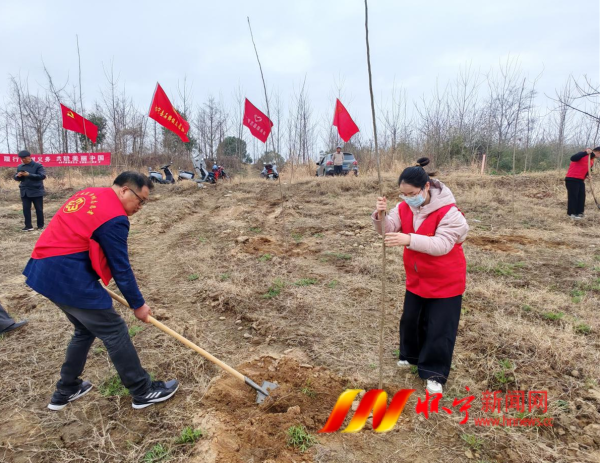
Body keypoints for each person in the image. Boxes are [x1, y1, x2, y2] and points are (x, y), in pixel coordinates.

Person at [23, 172, 179, 411]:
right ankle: (143, 391)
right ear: (125, 190)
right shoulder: (115, 217)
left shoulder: (88, 194)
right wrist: (138, 304)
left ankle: (66, 388)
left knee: (85, 329)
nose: (140, 207)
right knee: (114, 330)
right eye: (140, 200)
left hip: (43, 268)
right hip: (67, 276)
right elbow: (121, 267)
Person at [372, 157, 468, 395]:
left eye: (411, 194)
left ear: (426, 187)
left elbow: (442, 244)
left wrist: (408, 239)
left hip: (445, 281)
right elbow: (388, 229)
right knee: (411, 320)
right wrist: (381, 215)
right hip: (417, 277)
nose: (407, 198)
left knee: (439, 327)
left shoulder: (449, 212)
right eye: (403, 194)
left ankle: (434, 373)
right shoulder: (404, 207)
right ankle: (410, 356)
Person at [14, 150, 46, 231]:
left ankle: (40, 225)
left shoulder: (38, 165)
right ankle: (28, 226)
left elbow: (42, 176)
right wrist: (18, 176)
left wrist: (29, 175)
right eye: (21, 158)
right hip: (25, 191)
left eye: (24, 158)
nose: (23, 160)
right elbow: (16, 178)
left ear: (29, 157)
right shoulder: (20, 167)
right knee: (26, 209)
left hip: (36, 191)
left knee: (39, 209)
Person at [565, 147, 598, 219]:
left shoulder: (591, 160)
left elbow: (587, 170)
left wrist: (587, 175)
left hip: (580, 180)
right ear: (597, 152)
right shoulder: (583, 154)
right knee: (573, 196)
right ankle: (572, 214)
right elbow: (573, 158)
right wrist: (585, 152)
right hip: (572, 179)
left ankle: (580, 212)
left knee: (581, 196)